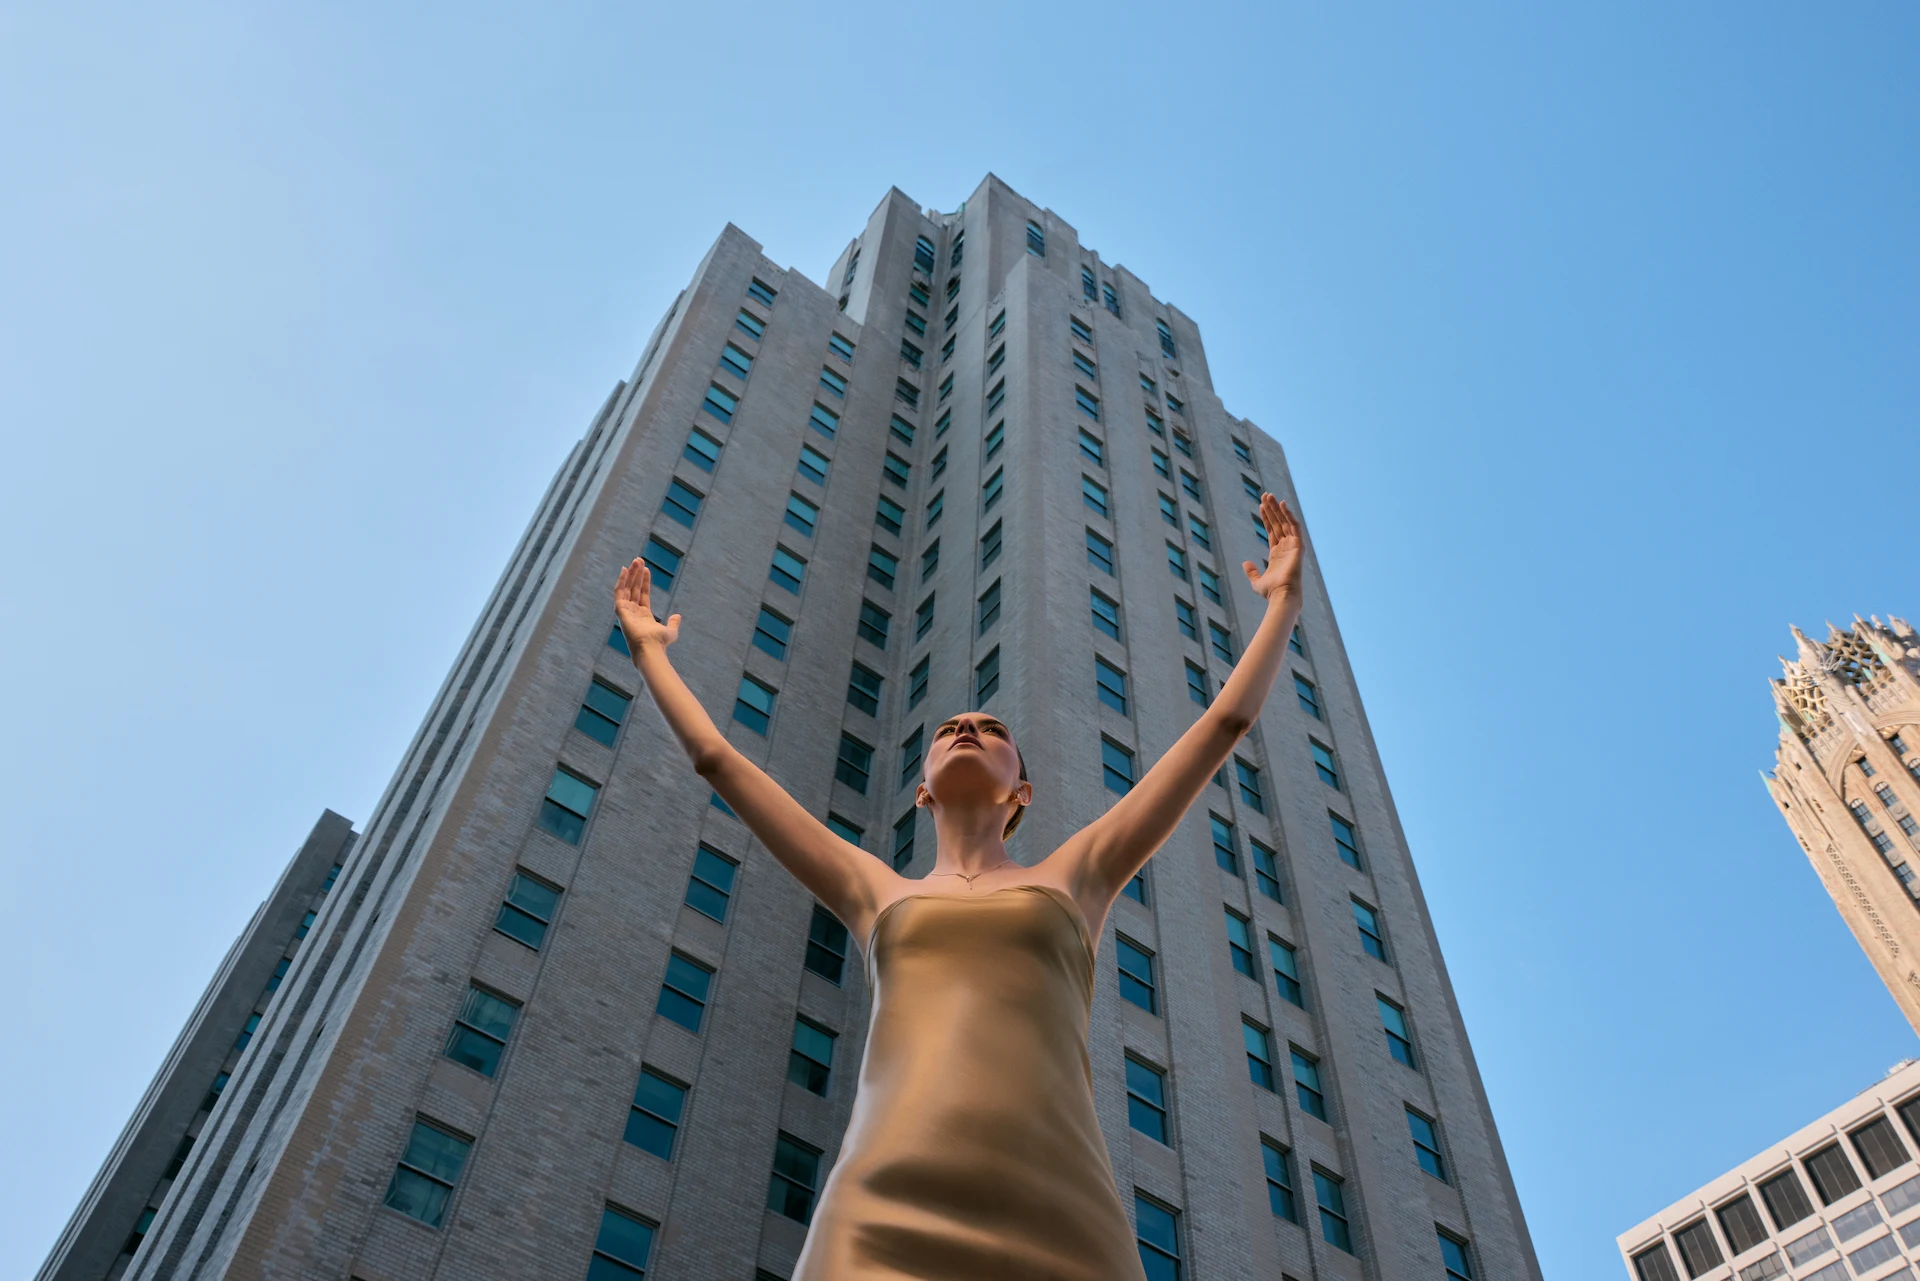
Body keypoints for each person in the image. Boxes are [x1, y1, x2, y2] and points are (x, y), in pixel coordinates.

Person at [614, 491, 1306, 1280]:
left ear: (1023, 791)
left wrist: (1281, 603)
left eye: (993, 730)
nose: (967, 729)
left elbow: (1222, 726)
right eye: (947, 730)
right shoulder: (873, 889)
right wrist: (651, 655)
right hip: (878, 1213)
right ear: (921, 789)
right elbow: (718, 761)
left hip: (1061, 1215)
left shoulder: (1079, 875)